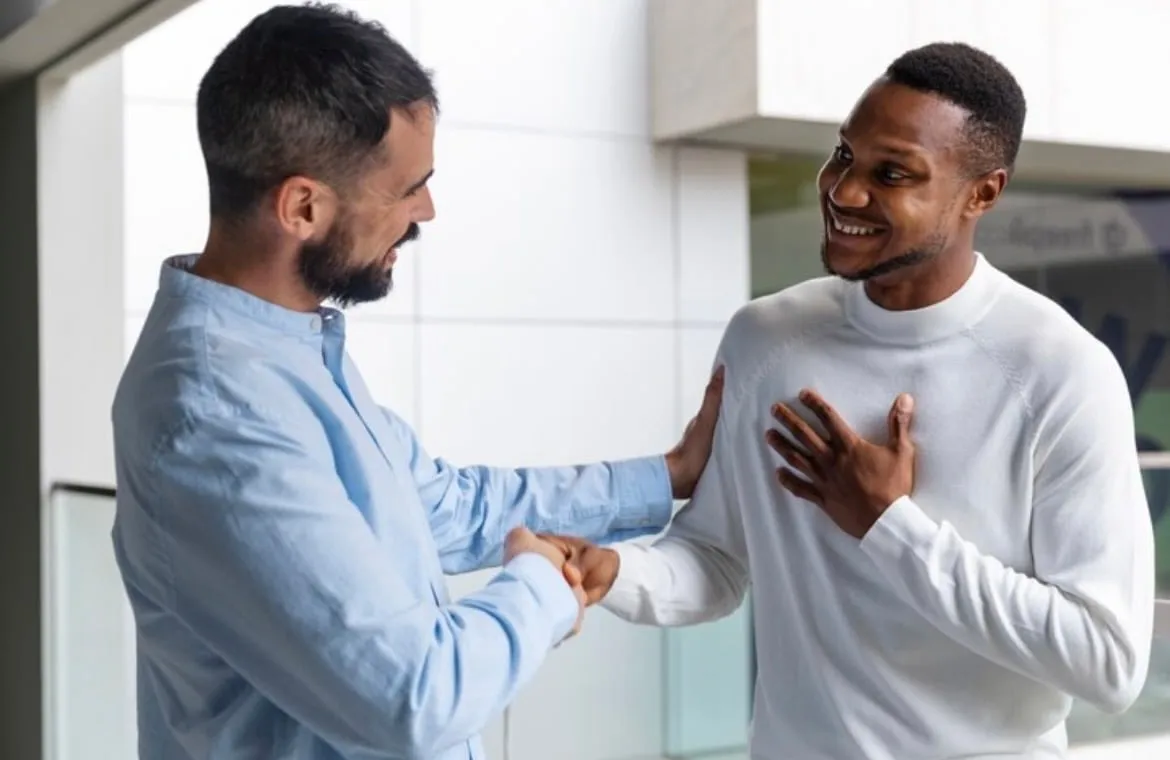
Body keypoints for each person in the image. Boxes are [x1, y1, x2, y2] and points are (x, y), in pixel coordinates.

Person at [109, 5, 723, 760]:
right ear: (303, 206)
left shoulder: (284, 352)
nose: (425, 211)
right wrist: (539, 587)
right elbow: (418, 695)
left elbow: (445, 507)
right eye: (407, 189)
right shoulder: (216, 409)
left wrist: (667, 477)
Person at [546, 42, 1157, 759]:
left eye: (891, 174)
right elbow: (714, 559)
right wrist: (612, 571)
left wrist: (890, 526)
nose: (844, 191)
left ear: (981, 194)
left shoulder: (1060, 372)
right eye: (843, 155)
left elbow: (1108, 660)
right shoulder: (764, 338)